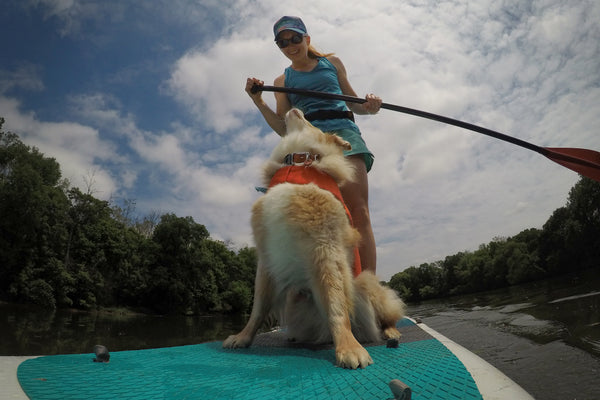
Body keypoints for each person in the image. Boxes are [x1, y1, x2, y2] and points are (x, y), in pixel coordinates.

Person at [245, 16, 382, 274]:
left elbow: (354, 103)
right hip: (309, 146)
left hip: (344, 136)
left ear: (306, 39)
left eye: (295, 38)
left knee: (358, 212)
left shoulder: (332, 63)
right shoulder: (282, 82)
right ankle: (330, 288)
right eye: (282, 42)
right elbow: (285, 128)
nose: (290, 45)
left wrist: (370, 106)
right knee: (317, 220)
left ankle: (369, 292)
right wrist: (259, 102)